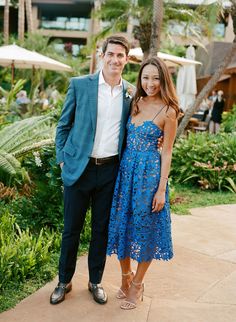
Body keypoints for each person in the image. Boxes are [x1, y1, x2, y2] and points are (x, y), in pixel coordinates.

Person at [50, 35, 133, 306]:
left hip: (110, 171)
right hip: (79, 169)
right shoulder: (80, 85)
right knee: (71, 229)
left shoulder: (130, 93)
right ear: (102, 55)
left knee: (101, 230)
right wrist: (63, 160)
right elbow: (63, 126)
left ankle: (95, 281)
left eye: (120, 56)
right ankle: (64, 280)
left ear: (127, 60)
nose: (115, 59)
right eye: (111, 54)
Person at [106, 57, 179, 310]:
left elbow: (167, 151)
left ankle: (137, 284)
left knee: (145, 229)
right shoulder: (134, 102)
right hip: (125, 174)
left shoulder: (169, 111)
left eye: (156, 78)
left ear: (163, 80)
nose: (150, 83)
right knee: (122, 227)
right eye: (146, 77)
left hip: (149, 177)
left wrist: (161, 189)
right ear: (140, 78)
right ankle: (125, 276)